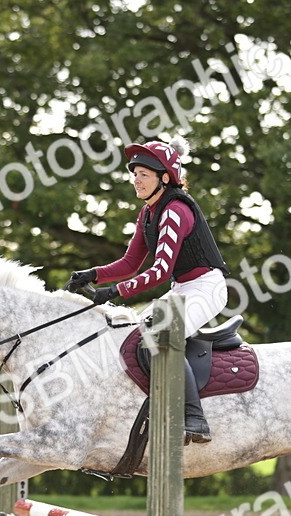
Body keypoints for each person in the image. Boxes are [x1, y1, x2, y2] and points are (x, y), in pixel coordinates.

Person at [65, 136, 229, 444]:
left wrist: (114, 292)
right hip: (183, 288)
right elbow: (130, 263)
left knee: (161, 337)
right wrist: (93, 274)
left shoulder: (176, 210)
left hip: (206, 287)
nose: (136, 180)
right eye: (134, 173)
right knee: (132, 337)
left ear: (165, 178)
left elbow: (160, 271)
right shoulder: (148, 213)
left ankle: (195, 419)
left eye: (144, 174)